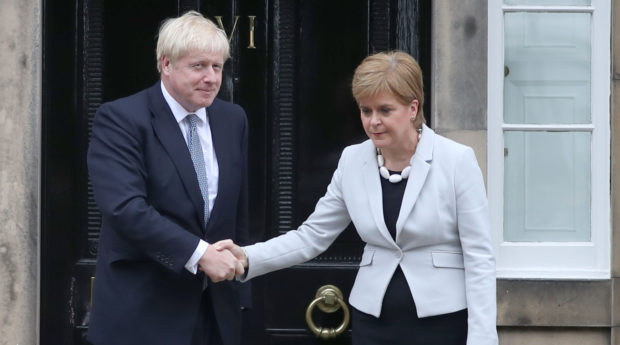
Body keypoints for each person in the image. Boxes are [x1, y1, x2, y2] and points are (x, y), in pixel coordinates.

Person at [217, 51, 498, 344]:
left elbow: (479, 256)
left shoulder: (456, 160)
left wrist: (482, 338)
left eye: (385, 110)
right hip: (373, 324)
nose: (373, 121)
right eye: (366, 111)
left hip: (442, 324)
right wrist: (248, 258)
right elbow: (312, 236)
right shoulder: (352, 160)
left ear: (413, 108)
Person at [87, 11, 249, 345]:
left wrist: (243, 292)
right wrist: (200, 254)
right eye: (198, 66)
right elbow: (125, 209)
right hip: (143, 311)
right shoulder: (121, 119)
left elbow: (238, 212)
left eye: (217, 67)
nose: (211, 78)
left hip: (216, 312)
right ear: (166, 64)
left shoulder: (233, 120)